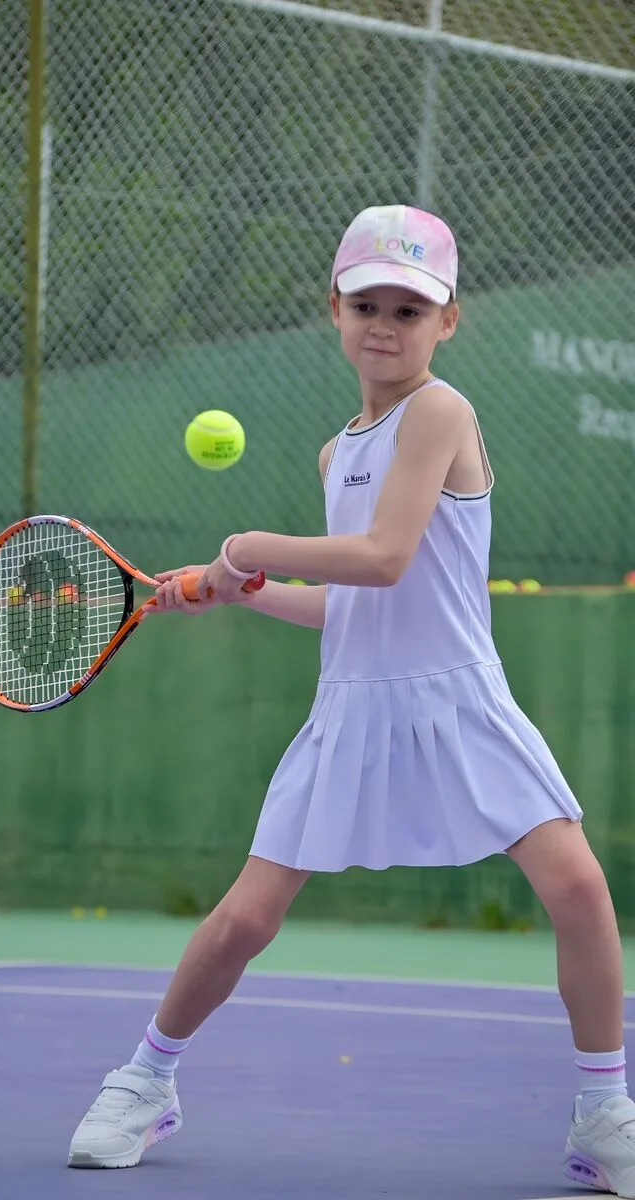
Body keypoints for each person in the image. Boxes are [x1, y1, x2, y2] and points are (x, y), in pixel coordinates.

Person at [67, 205, 634, 1196]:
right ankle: (144, 1082)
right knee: (244, 920)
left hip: (460, 702)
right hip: (353, 708)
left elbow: (384, 558)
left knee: (580, 892)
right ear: (332, 309)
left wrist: (245, 551)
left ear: (446, 320)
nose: (384, 324)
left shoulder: (441, 413)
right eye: (365, 303)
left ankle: (602, 1112)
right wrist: (239, 595)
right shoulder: (338, 454)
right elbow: (349, 607)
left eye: (407, 309)